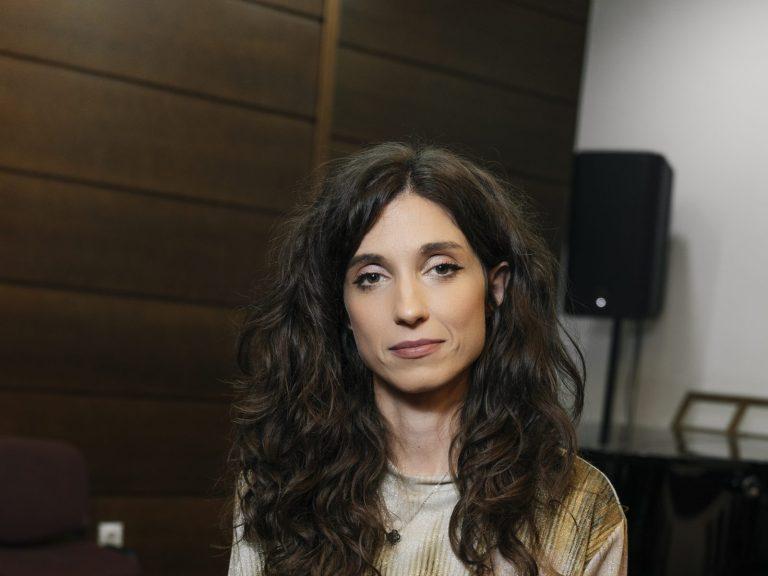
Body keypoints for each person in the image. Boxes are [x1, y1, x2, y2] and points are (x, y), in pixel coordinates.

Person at [224, 142, 628, 576]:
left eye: (440, 268)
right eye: (371, 277)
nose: (408, 308)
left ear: (495, 289)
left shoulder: (578, 505)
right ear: (341, 308)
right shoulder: (284, 483)